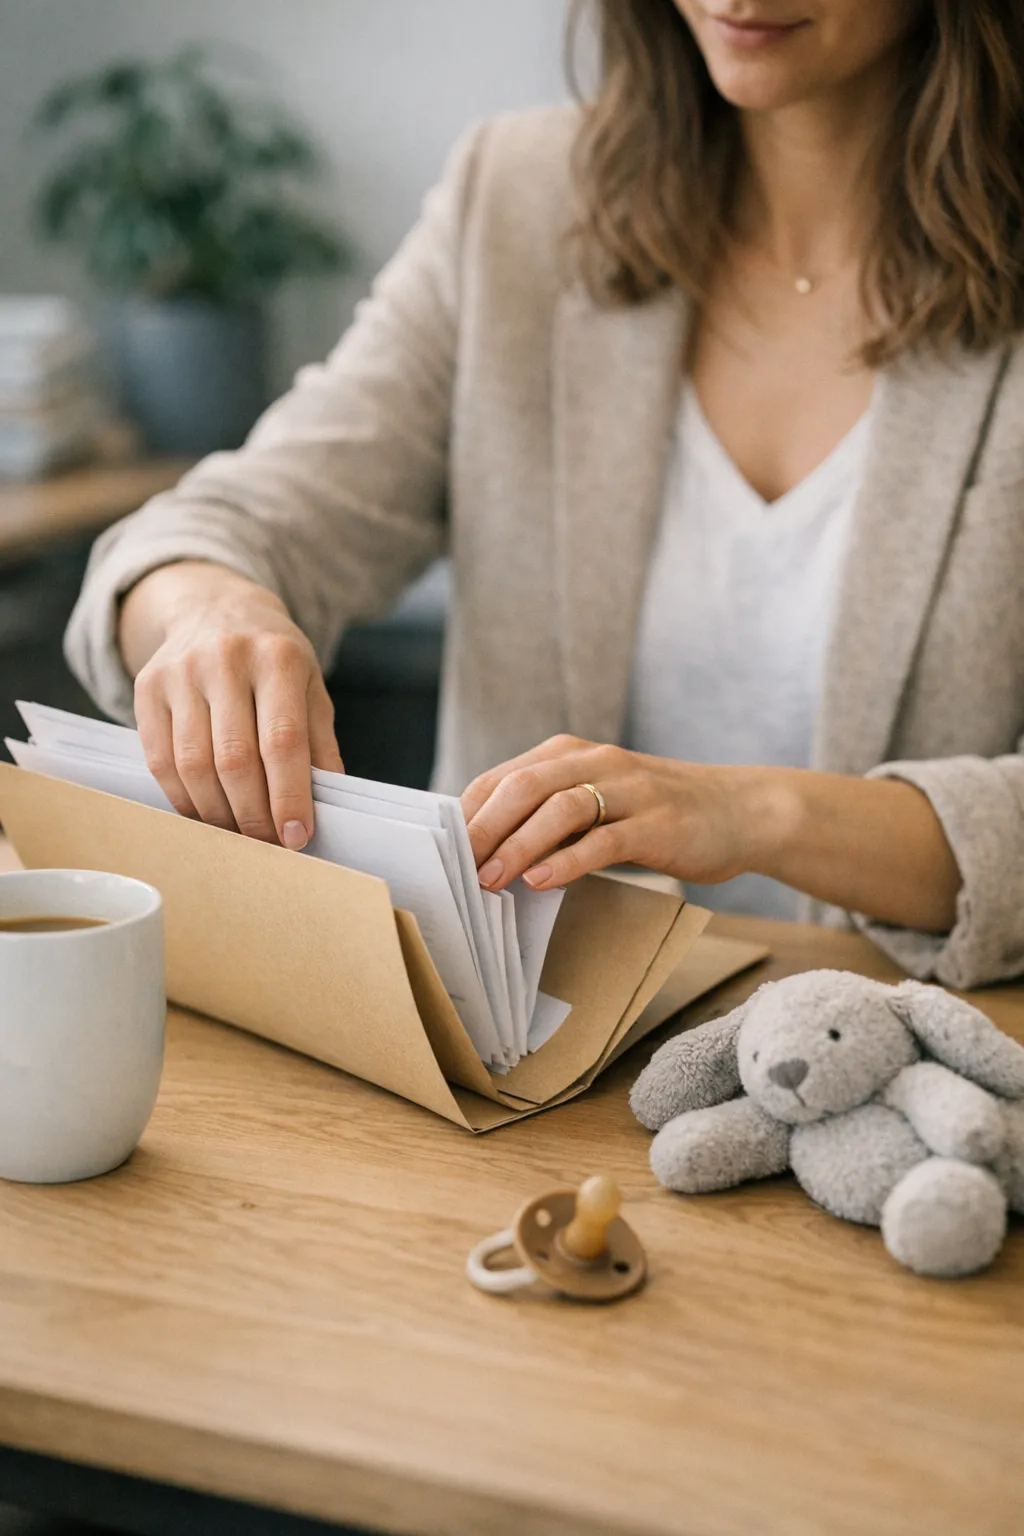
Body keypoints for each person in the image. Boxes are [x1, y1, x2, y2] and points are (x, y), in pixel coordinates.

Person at [66, 0, 1024, 989]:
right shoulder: (520, 195)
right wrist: (209, 609)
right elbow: (229, 522)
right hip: (520, 1051)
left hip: (908, 1052)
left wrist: (751, 814)